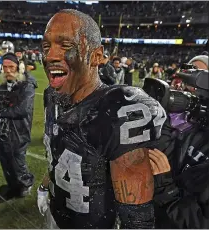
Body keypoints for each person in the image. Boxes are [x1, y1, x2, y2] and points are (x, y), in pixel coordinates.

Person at [37, 9, 167, 229]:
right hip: (56, 213)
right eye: (46, 46)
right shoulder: (52, 96)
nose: (50, 56)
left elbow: (137, 221)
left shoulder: (119, 110)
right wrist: (46, 185)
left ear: (97, 56)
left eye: (65, 45)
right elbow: (58, 156)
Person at [150, 55, 209, 228]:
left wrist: (166, 189)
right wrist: (164, 121)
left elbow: (199, 222)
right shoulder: (193, 126)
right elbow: (164, 160)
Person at [0, 53, 37, 198]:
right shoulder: (3, 84)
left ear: (19, 67)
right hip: (4, 129)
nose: (7, 70)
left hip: (19, 130)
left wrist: (0, 111)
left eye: (11, 67)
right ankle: (13, 185)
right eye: (5, 67)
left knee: (18, 161)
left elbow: (23, 110)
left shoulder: (27, 85)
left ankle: (26, 184)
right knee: (5, 159)